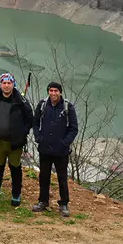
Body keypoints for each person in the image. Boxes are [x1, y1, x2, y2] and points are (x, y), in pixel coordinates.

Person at [0, 73, 33, 206]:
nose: (6, 85)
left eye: (9, 83)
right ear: (1, 84)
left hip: (15, 142)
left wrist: (23, 132)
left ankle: (16, 194)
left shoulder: (20, 100)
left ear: (13, 84)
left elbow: (30, 117)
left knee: (15, 168)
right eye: (4, 83)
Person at [32, 82, 79, 217]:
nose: (53, 93)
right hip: (45, 148)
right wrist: (38, 137)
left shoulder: (67, 107)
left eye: (56, 91)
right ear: (48, 91)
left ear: (60, 92)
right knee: (44, 177)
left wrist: (65, 143)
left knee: (62, 178)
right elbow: (35, 123)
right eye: (51, 90)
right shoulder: (42, 105)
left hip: (61, 151)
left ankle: (63, 203)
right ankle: (43, 201)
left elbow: (74, 128)